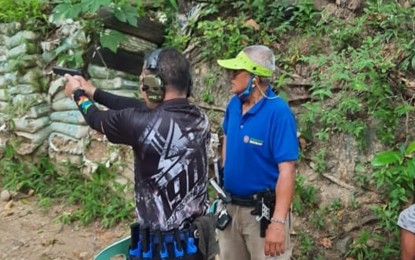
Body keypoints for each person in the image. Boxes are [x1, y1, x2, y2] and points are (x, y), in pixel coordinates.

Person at [64, 47, 216, 260]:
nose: (142, 87)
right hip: (196, 242)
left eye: (144, 81)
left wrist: (77, 94)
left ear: (155, 86)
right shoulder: (200, 118)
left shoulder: (141, 124)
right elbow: (139, 106)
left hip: (161, 249)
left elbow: (96, 119)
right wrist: (94, 92)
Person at [216, 45, 299, 260]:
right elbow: (227, 137)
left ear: (254, 78)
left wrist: (278, 223)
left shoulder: (278, 113)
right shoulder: (233, 105)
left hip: (262, 213)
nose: (230, 77)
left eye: (236, 73)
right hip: (230, 208)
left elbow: (287, 171)